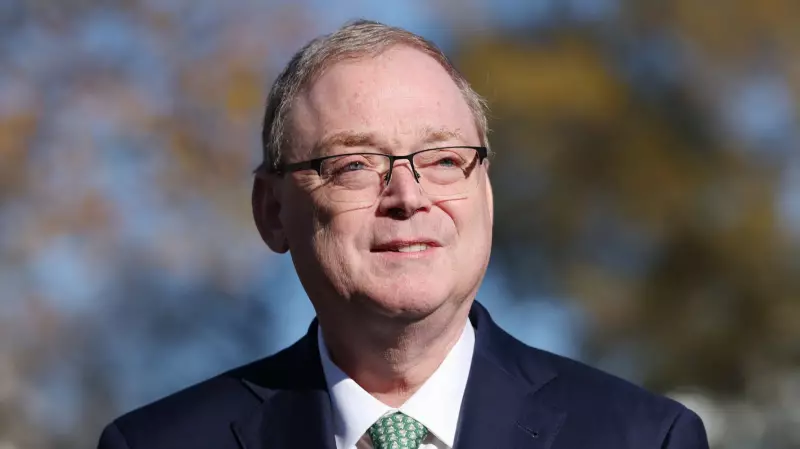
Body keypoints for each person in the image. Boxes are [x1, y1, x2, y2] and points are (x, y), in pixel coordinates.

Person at [97, 19, 709, 449]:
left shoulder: (644, 438)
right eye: (354, 165)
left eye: (443, 159)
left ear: (486, 193)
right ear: (272, 212)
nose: (408, 197)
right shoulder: (155, 444)